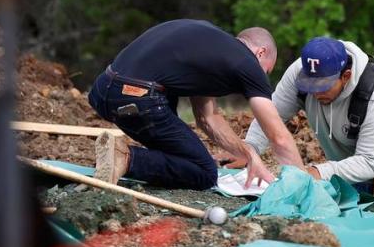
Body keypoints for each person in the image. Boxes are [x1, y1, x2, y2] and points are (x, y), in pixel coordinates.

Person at [87, 19, 304, 190]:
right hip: (138, 98)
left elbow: (207, 119)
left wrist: (246, 153)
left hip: (103, 92)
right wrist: (305, 185)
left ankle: (118, 159)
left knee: (186, 158)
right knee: (204, 172)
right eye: (266, 70)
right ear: (261, 53)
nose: (262, 75)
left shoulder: (212, 46)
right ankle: (125, 158)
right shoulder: (247, 63)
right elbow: (279, 137)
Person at [245, 36, 374, 194]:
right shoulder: (302, 71)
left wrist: (317, 172)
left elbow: (368, 161)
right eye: (310, 85)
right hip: (348, 169)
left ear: (346, 76)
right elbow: (270, 115)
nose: (316, 93)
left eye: (323, 86)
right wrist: (250, 148)